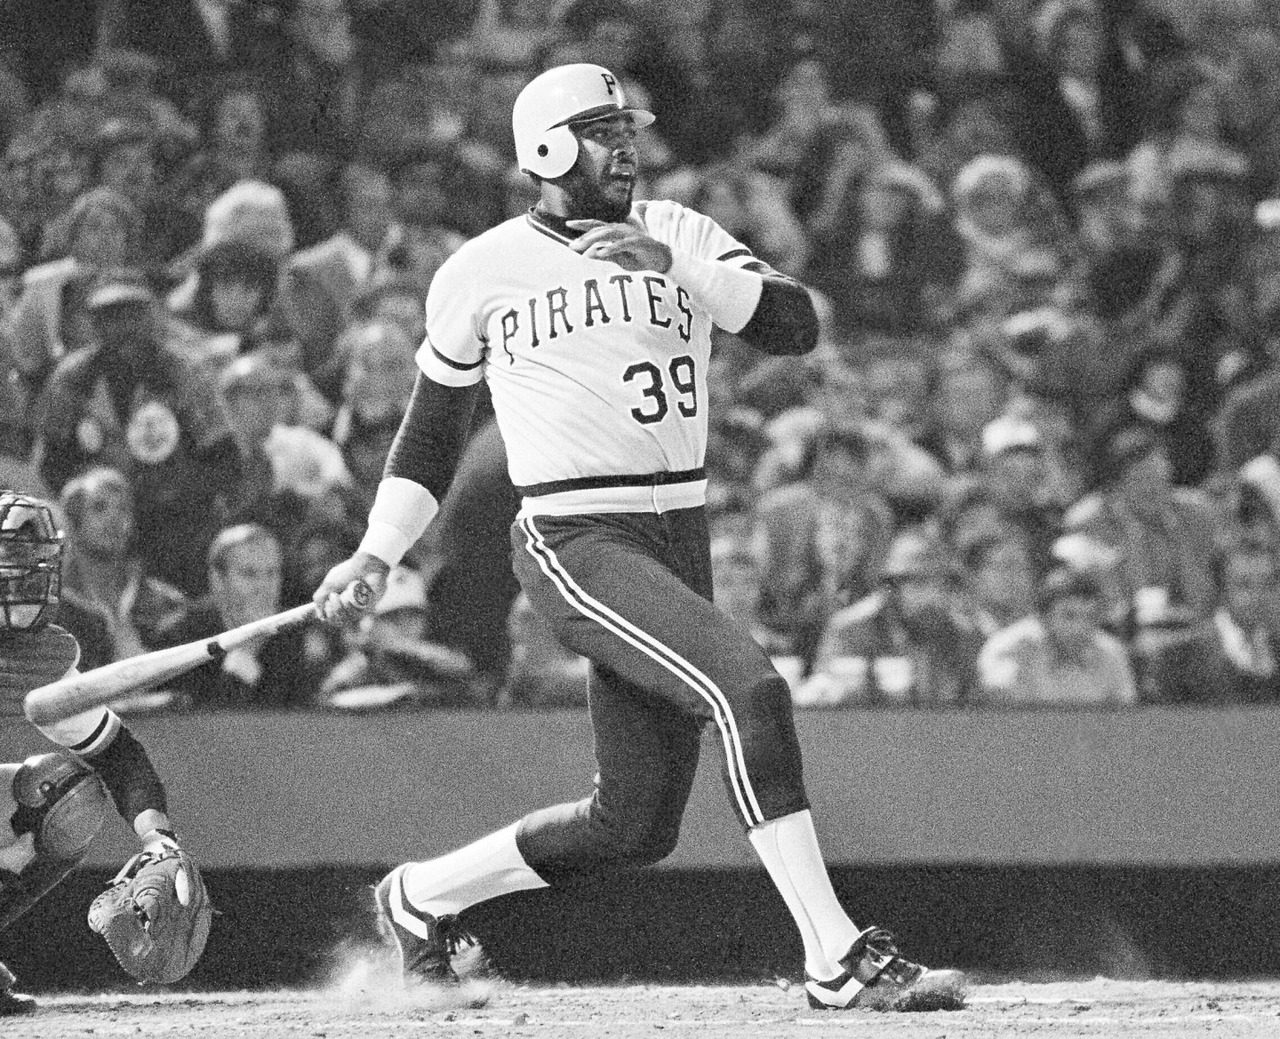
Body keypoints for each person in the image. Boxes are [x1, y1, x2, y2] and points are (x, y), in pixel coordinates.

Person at [313, 63, 966, 1012]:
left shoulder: (678, 232)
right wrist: (377, 551)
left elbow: (796, 325)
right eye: (603, 132)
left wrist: (680, 268)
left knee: (634, 824)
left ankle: (422, 895)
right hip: (576, 535)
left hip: (677, 532)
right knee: (749, 690)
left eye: (628, 131)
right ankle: (835, 955)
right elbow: (431, 435)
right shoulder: (483, 268)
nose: (626, 148)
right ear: (547, 148)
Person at [0, 491, 196, 1013]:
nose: (23, 580)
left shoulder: (36, 654)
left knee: (65, 796)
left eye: (30, 564)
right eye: (8, 565)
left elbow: (118, 756)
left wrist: (158, 838)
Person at [157, 523, 310, 710]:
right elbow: (203, 723)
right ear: (218, 580)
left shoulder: (295, 633)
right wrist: (247, 649)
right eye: (249, 574)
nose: (264, 587)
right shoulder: (181, 640)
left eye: (272, 573)